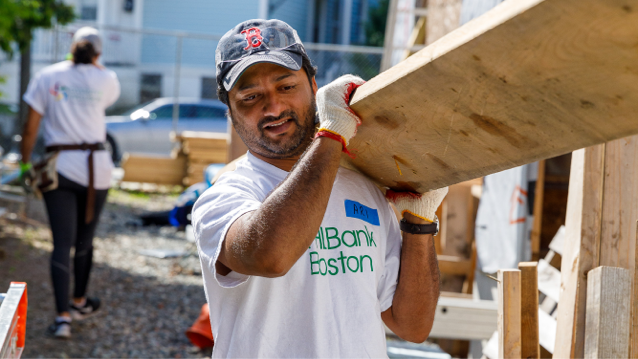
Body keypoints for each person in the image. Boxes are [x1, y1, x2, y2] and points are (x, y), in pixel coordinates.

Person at [192, 19, 447, 358]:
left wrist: (419, 225)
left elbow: (412, 326)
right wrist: (332, 134)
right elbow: (273, 257)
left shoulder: (364, 188)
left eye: (286, 87)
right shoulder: (224, 198)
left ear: (313, 84)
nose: (274, 108)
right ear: (230, 112)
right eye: (251, 97)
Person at [20, 26, 120, 338]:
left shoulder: (47, 76)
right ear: (98, 53)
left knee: (62, 243)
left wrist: (26, 163)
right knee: (85, 241)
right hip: (97, 169)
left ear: (70, 48)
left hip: (60, 168)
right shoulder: (107, 79)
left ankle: (63, 317)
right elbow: (106, 95)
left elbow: (31, 124)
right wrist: (96, 66)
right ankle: (79, 301)